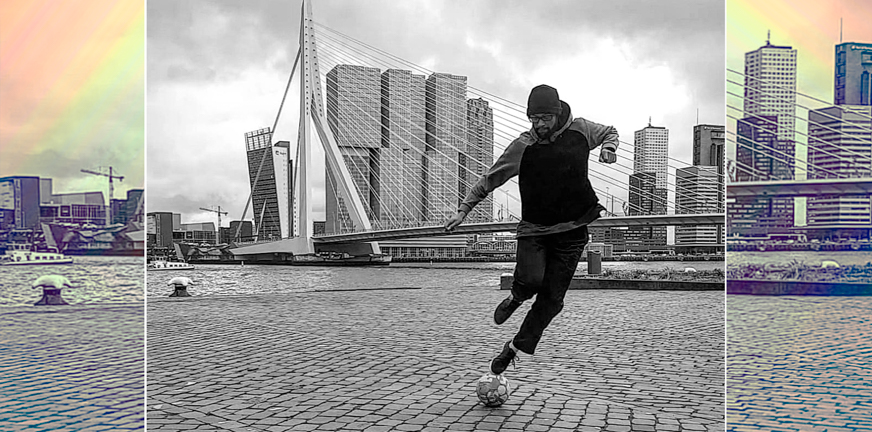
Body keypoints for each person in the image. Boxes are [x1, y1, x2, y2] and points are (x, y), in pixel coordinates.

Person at [444, 84, 618, 374]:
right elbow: (490, 179)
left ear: (557, 112)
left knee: (552, 301)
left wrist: (609, 148)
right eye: (533, 119)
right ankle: (516, 296)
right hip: (535, 230)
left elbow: (610, 131)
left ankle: (512, 349)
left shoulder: (581, 130)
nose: (538, 125)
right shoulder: (523, 145)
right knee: (531, 281)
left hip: (573, 230)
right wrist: (463, 210)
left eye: (544, 119)